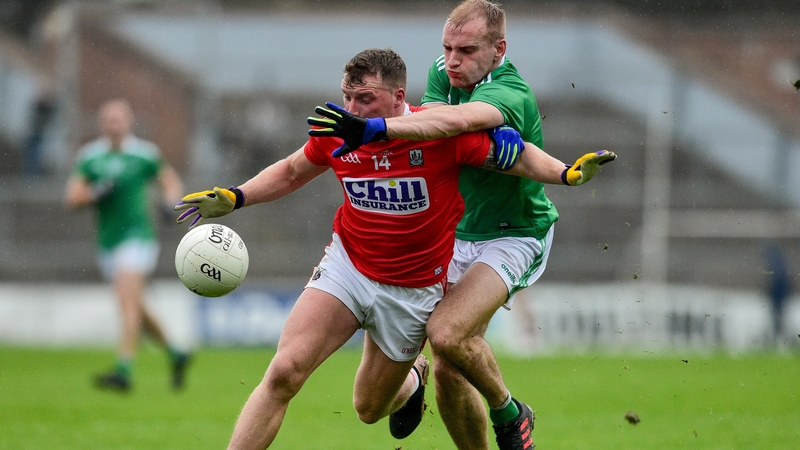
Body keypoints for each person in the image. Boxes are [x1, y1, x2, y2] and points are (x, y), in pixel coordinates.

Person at [176, 48, 612, 450]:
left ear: (398, 95)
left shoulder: (438, 133)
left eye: (364, 98)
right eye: (347, 96)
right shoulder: (338, 132)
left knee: (368, 409)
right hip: (348, 268)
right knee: (284, 372)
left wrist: (566, 173)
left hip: (413, 292)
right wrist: (236, 197)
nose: (352, 109)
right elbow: (292, 171)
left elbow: (516, 157)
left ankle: (413, 379)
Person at [306, 1, 593, 448]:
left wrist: (378, 128)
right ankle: (420, 381)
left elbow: (456, 120)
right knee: (447, 366)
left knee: (446, 334)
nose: (453, 60)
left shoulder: (510, 92)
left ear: (499, 49)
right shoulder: (446, 71)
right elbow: (432, 128)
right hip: (458, 233)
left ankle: (510, 411)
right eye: (447, 47)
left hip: (513, 232)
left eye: (467, 50)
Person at [65, 98, 190, 391]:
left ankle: (123, 369)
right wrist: (96, 192)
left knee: (126, 300)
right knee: (136, 305)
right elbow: (72, 197)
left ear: (129, 121)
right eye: (109, 119)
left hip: (138, 237)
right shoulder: (90, 157)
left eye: (119, 118)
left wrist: (169, 203)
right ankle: (176, 353)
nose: (114, 123)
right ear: (101, 123)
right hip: (108, 241)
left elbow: (171, 182)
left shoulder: (145, 154)